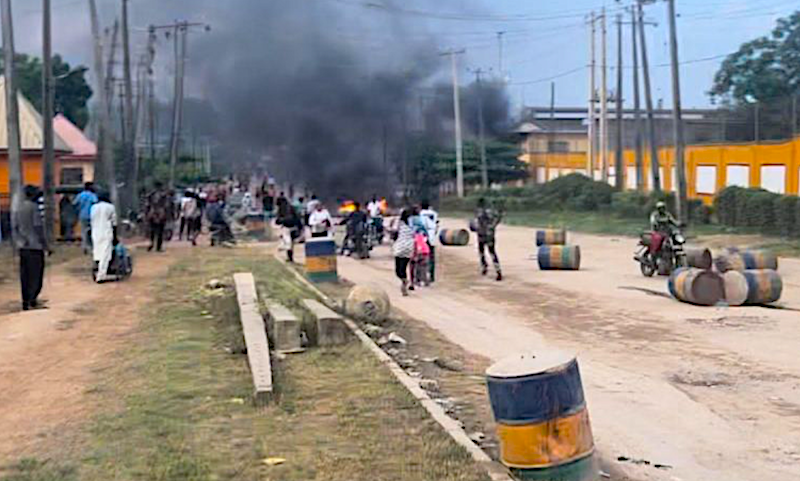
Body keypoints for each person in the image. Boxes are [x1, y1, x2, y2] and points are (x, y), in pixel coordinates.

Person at [13, 186, 49, 310]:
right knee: (36, 275)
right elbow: (38, 227)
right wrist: (45, 245)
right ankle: (32, 300)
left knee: (25, 275)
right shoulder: (34, 208)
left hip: (23, 246)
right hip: (35, 246)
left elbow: (15, 226)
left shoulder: (19, 208)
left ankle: (25, 301)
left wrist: (19, 241)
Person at [91, 191, 117, 283]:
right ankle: (101, 276)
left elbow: (92, 220)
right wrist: (115, 236)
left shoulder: (93, 207)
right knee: (105, 255)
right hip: (106, 231)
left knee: (97, 253)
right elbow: (114, 223)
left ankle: (96, 271)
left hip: (95, 232)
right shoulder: (110, 207)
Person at [475, 198, 503, 281]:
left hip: (482, 234)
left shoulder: (479, 212)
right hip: (489, 234)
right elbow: (497, 218)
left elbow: (476, 224)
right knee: (492, 252)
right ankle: (498, 271)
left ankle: (484, 267)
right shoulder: (490, 212)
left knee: (482, 252)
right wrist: (492, 227)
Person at [393, 209, 415, 296]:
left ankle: (404, 281)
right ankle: (405, 281)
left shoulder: (399, 224)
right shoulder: (413, 224)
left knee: (398, 269)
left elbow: (394, 233)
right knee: (404, 266)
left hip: (400, 247)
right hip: (409, 247)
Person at [145, 181, 172, 252]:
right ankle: (158, 247)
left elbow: (147, 205)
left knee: (152, 230)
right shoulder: (164, 195)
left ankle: (151, 243)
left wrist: (147, 213)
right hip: (161, 212)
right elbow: (167, 205)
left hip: (152, 211)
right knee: (160, 230)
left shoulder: (150, 194)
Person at [73, 182, 97, 254]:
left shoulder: (80, 195)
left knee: (84, 231)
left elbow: (74, 203)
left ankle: (85, 246)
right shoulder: (93, 195)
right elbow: (95, 202)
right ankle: (92, 247)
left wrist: (79, 208)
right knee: (92, 231)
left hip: (82, 215)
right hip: (92, 216)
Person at [420, 201, 439, 283]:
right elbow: (437, 224)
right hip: (432, 235)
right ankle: (432, 276)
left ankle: (421, 276)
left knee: (421, 257)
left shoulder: (420, 214)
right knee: (432, 257)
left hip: (423, 235)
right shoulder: (434, 213)